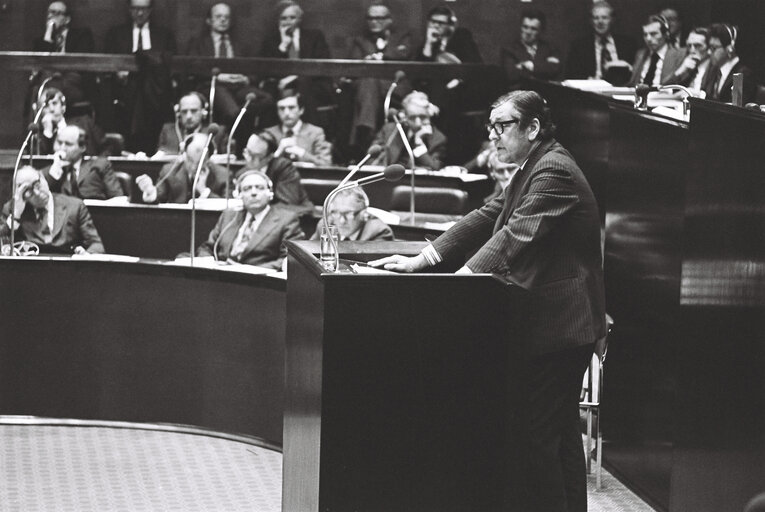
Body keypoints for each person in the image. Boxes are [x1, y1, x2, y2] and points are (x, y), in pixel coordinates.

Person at [370, 90, 606, 512]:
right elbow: (487, 215)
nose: (493, 136)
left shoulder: (553, 170)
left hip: (562, 324)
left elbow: (514, 236)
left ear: (532, 128)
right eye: (490, 127)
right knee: (559, 435)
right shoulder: (533, 164)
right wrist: (423, 260)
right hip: (555, 322)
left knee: (539, 439)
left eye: (503, 127)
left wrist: (461, 280)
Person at [185, 2, 273, 133]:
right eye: (218, 16)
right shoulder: (198, 43)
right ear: (209, 20)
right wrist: (218, 77)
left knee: (267, 100)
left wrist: (245, 79)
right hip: (213, 85)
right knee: (233, 111)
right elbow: (193, 68)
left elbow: (255, 69)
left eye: (226, 17)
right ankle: (241, 140)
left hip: (239, 86)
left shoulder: (240, 43)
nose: (223, 20)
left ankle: (247, 126)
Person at [104, 0, 176, 153]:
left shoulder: (164, 34)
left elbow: (169, 65)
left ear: (150, 10)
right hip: (124, 91)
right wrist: (118, 72)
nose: (140, 13)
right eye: (136, 9)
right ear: (129, 10)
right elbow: (108, 62)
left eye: (143, 9)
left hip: (156, 93)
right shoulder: (116, 34)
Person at [196, 170, 303, 269]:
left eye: (259, 188)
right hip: (222, 275)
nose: (253, 193)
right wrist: (209, 263)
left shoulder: (286, 220)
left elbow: (289, 260)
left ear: (270, 193)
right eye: (247, 189)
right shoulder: (229, 216)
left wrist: (246, 270)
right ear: (239, 195)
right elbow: (207, 247)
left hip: (258, 282)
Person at [346, 1, 414, 150]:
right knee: (369, 81)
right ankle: (368, 129)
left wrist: (382, 57)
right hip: (367, 88)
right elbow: (354, 66)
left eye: (379, 18)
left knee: (369, 83)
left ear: (390, 19)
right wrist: (366, 61)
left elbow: (404, 56)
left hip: (395, 85)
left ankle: (364, 130)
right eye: (370, 18)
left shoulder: (402, 37)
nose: (374, 22)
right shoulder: (360, 41)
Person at [1, 166, 104, 254]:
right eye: (28, 190)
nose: (37, 193)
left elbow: (97, 244)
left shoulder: (75, 206)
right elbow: (3, 247)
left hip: (69, 269)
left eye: (37, 184)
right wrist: (16, 216)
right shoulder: (12, 209)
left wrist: (86, 255)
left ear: (44, 178)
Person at [259, 1, 332, 125]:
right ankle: (273, 136)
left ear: (299, 19)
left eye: (292, 18)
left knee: (302, 86)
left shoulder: (314, 37)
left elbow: (321, 66)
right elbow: (266, 70)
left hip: (312, 83)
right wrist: (283, 46)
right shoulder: (271, 41)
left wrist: (294, 78)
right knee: (273, 92)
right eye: (284, 18)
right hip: (279, 85)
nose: (288, 22)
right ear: (278, 20)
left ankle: (309, 134)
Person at [30, 2, 97, 113]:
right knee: (37, 88)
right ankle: (39, 127)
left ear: (67, 19)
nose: (52, 16)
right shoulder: (41, 41)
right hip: (48, 80)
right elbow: (41, 63)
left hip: (73, 81)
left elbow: (80, 63)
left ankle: (48, 122)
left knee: (46, 91)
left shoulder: (82, 35)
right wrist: (48, 34)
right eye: (50, 12)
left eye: (57, 13)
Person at [136, 132, 228, 203]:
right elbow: (158, 199)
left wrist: (204, 191)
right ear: (184, 155)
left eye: (199, 162)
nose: (193, 167)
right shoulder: (169, 171)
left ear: (208, 160)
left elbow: (229, 207)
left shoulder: (223, 175)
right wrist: (150, 192)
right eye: (190, 160)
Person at [369, 90, 446, 170]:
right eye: (412, 118)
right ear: (404, 117)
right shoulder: (390, 130)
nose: (418, 123)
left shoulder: (438, 138)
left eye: (423, 117)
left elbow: (435, 167)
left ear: (429, 115)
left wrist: (419, 144)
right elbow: (372, 160)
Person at [43, 125, 124, 200]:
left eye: (68, 144)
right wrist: (54, 172)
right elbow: (41, 195)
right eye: (59, 143)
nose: (62, 148)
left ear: (82, 148)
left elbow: (118, 198)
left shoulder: (100, 165)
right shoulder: (50, 170)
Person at [565, 1, 637, 84]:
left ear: (612, 20)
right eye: (596, 18)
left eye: (604, 18)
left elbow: (635, 74)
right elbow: (570, 75)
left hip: (621, 90)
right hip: (591, 90)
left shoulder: (628, 44)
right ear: (591, 21)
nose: (600, 22)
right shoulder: (579, 46)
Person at [241, 131, 313, 211]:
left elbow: (287, 203)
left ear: (269, 157)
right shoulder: (243, 172)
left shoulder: (284, 169)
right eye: (247, 151)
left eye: (254, 156)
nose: (247, 158)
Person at [264, 90, 332, 166]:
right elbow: (258, 165)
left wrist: (302, 153)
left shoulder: (316, 133)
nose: (286, 113)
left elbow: (326, 164)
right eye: (282, 108)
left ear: (301, 110)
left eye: (291, 108)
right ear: (277, 111)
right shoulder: (269, 133)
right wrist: (278, 153)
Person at [154, 92, 228, 157]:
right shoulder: (168, 131)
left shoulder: (216, 133)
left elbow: (229, 160)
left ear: (203, 112)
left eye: (194, 111)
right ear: (178, 113)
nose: (188, 116)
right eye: (184, 111)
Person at [33, 87, 102, 156]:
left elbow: (107, 148)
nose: (51, 109)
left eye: (54, 103)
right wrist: (47, 133)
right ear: (40, 111)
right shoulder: (36, 134)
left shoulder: (86, 123)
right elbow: (39, 162)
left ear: (63, 107)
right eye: (46, 106)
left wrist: (98, 165)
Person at [502, 8, 561, 87]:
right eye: (525, 27)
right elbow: (511, 75)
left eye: (533, 29)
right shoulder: (508, 49)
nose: (528, 32)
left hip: (545, 93)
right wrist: (543, 66)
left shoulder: (551, 49)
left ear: (541, 31)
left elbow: (555, 69)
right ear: (520, 27)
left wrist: (529, 65)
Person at [312, 188, 394, 242]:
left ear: (364, 214)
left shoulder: (379, 232)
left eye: (349, 213)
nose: (342, 221)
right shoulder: (325, 225)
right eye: (336, 212)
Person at [704, 23, 756, 104]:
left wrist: (703, 96)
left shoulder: (742, 75)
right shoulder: (714, 69)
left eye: (714, 48)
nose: (709, 52)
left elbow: (734, 109)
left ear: (730, 49)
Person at [628, 15, 685, 86]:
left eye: (653, 34)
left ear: (666, 34)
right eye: (645, 35)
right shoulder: (641, 54)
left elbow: (675, 83)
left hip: (663, 95)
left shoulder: (678, 55)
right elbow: (631, 83)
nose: (648, 39)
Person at [670, 27, 713, 93]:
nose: (692, 50)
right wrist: (680, 71)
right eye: (689, 45)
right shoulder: (687, 64)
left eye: (698, 46)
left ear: (709, 47)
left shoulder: (714, 67)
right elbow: (664, 90)